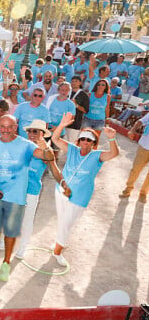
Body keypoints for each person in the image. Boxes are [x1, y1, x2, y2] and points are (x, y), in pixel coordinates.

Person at [0, 115, 53, 282]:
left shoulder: (26, 146)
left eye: (9, 127)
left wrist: (45, 146)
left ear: (15, 127)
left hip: (16, 196)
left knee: (10, 231)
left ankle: (6, 263)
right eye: (2, 126)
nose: (5, 130)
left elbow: (48, 157)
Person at [51, 113, 119, 265]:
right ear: (79, 140)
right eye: (82, 138)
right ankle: (60, 241)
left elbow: (114, 153)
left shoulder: (97, 156)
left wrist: (112, 138)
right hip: (61, 191)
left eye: (89, 140)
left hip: (79, 197)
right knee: (63, 221)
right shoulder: (72, 149)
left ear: (94, 143)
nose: (85, 142)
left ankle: (57, 252)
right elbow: (55, 139)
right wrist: (62, 125)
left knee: (66, 222)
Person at [14, 120, 69, 260]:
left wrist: (63, 183)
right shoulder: (21, 146)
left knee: (27, 219)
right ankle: (4, 241)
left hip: (32, 190)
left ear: (43, 134)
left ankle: (22, 247)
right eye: (30, 131)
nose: (32, 134)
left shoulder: (46, 152)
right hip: (15, 189)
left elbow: (54, 168)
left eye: (36, 131)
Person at [119, 113, 149, 203]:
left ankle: (143, 193)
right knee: (135, 169)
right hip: (144, 146)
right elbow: (140, 121)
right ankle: (128, 189)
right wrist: (132, 130)